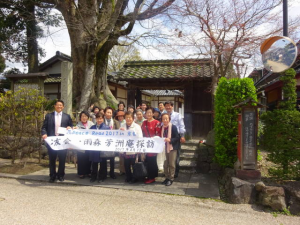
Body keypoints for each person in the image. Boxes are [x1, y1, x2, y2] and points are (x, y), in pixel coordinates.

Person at [41, 100, 73, 183]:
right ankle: (52, 176)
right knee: (52, 160)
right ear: (55, 106)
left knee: (62, 160)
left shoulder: (67, 116)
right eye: (58, 105)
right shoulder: (49, 116)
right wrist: (44, 134)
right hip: (52, 141)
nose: (59, 106)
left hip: (62, 142)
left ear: (63, 107)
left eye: (61, 105)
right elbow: (44, 127)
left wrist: (70, 127)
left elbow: (71, 126)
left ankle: (61, 175)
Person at [120, 111, 143, 184]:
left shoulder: (137, 127)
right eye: (127, 117)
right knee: (126, 164)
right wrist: (121, 132)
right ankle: (128, 177)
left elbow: (140, 138)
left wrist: (139, 149)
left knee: (134, 164)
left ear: (133, 118)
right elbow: (119, 137)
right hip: (125, 149)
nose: (128, 119)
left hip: (133, 149)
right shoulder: (122, 125)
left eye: (130, 117)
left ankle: (135, 177)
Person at [164, 101, 186, 178]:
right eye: (166, 106)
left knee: (176, 156)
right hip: (166, 139)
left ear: (172, 106)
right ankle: (168, 173)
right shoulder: (164, 115)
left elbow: (181, 126)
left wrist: (182, 136)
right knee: (167, 157)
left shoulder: (178, 115)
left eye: (169, 106)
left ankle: (175, 173)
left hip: (176, 138)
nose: (168, 107)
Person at [99, 106, 120, 181]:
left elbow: (119, 132)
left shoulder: (116, 122)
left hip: (112, 143)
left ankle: (112, 173)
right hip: (103, 143)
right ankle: (103, 174)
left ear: (112, 114)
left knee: (112, 159)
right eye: (107, 112)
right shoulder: (101, 121)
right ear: (104, 113)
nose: (108, 114)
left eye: (110, 112)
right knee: (103, 159)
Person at [141, 107, 161, 184]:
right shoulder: (144, 122)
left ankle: (152, 177)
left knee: (152, 160)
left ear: (153, 113)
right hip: (145, 144)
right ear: (145, 114)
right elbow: (141, 133)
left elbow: (158, 134)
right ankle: (151, 175)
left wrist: (152, 139)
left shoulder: (157, 123)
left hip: (153, 144)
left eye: (150, 112)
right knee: (147, 160)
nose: (149, 114)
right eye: (147, 112)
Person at [89, 112, 110, 182]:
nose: (99, 120)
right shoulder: (92, 127)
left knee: (103, 163)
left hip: (102, 149)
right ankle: (93, 176)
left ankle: (102, 177)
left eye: (101, 118)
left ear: (103, 119)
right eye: (98, 118)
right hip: (94, 149)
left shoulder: (107, 128)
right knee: (94, 163)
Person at [161, 113, 180, 186]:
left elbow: (177, 137)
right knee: (165, 163)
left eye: (166, 118)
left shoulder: (173, 127)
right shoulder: (162, 127)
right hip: (164, 148)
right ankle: (166, 177)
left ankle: (171, 178)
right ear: (162, 120)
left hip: (172, 148)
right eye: (163, 119)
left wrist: (170, 140)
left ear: (169, 119)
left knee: (172, 164)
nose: (165, 120)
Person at [76, 111, 94, 179]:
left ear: (88, 117)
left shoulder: (91, 124)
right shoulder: (78, 125)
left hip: (89, 145)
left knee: (89, 159)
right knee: (81, 159)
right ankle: (81, 173)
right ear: (80, 117)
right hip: (81, 146)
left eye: (85, 116)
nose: (84, 118)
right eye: (82, 116)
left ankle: (88, 172)